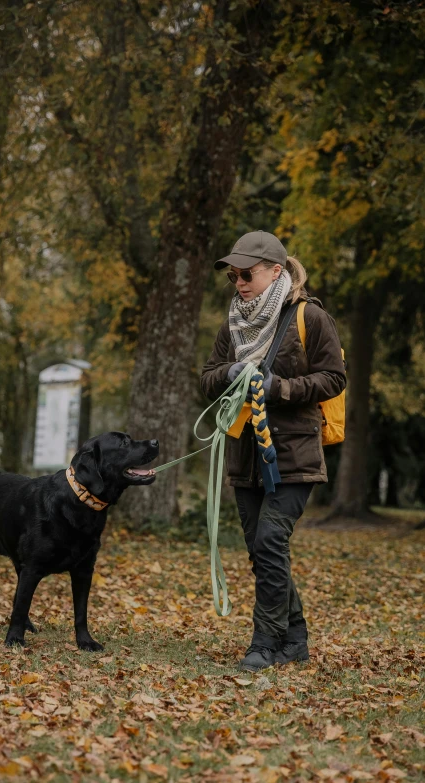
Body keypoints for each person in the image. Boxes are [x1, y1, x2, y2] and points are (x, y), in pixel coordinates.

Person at [200, 231, 346, 672]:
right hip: (245, 456)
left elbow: (334, 378)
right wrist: (231, 372)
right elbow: (207, 379)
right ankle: (295, 637)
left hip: (294, 456)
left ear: (276, 271)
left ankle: (263, 642)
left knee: (270, 540)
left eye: (247, 274)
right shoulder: (232, 324)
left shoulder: (310, 317)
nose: (239, 282)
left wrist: (277, 387)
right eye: (233, 275)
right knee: (263, 550)